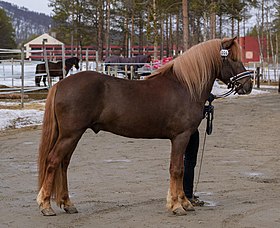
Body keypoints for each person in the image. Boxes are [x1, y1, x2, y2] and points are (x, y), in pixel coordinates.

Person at [183, 129, 205, 206]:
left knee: (187, 160)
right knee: (189, 160)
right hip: (188, 129)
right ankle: (187, 194)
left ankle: (184, 191)